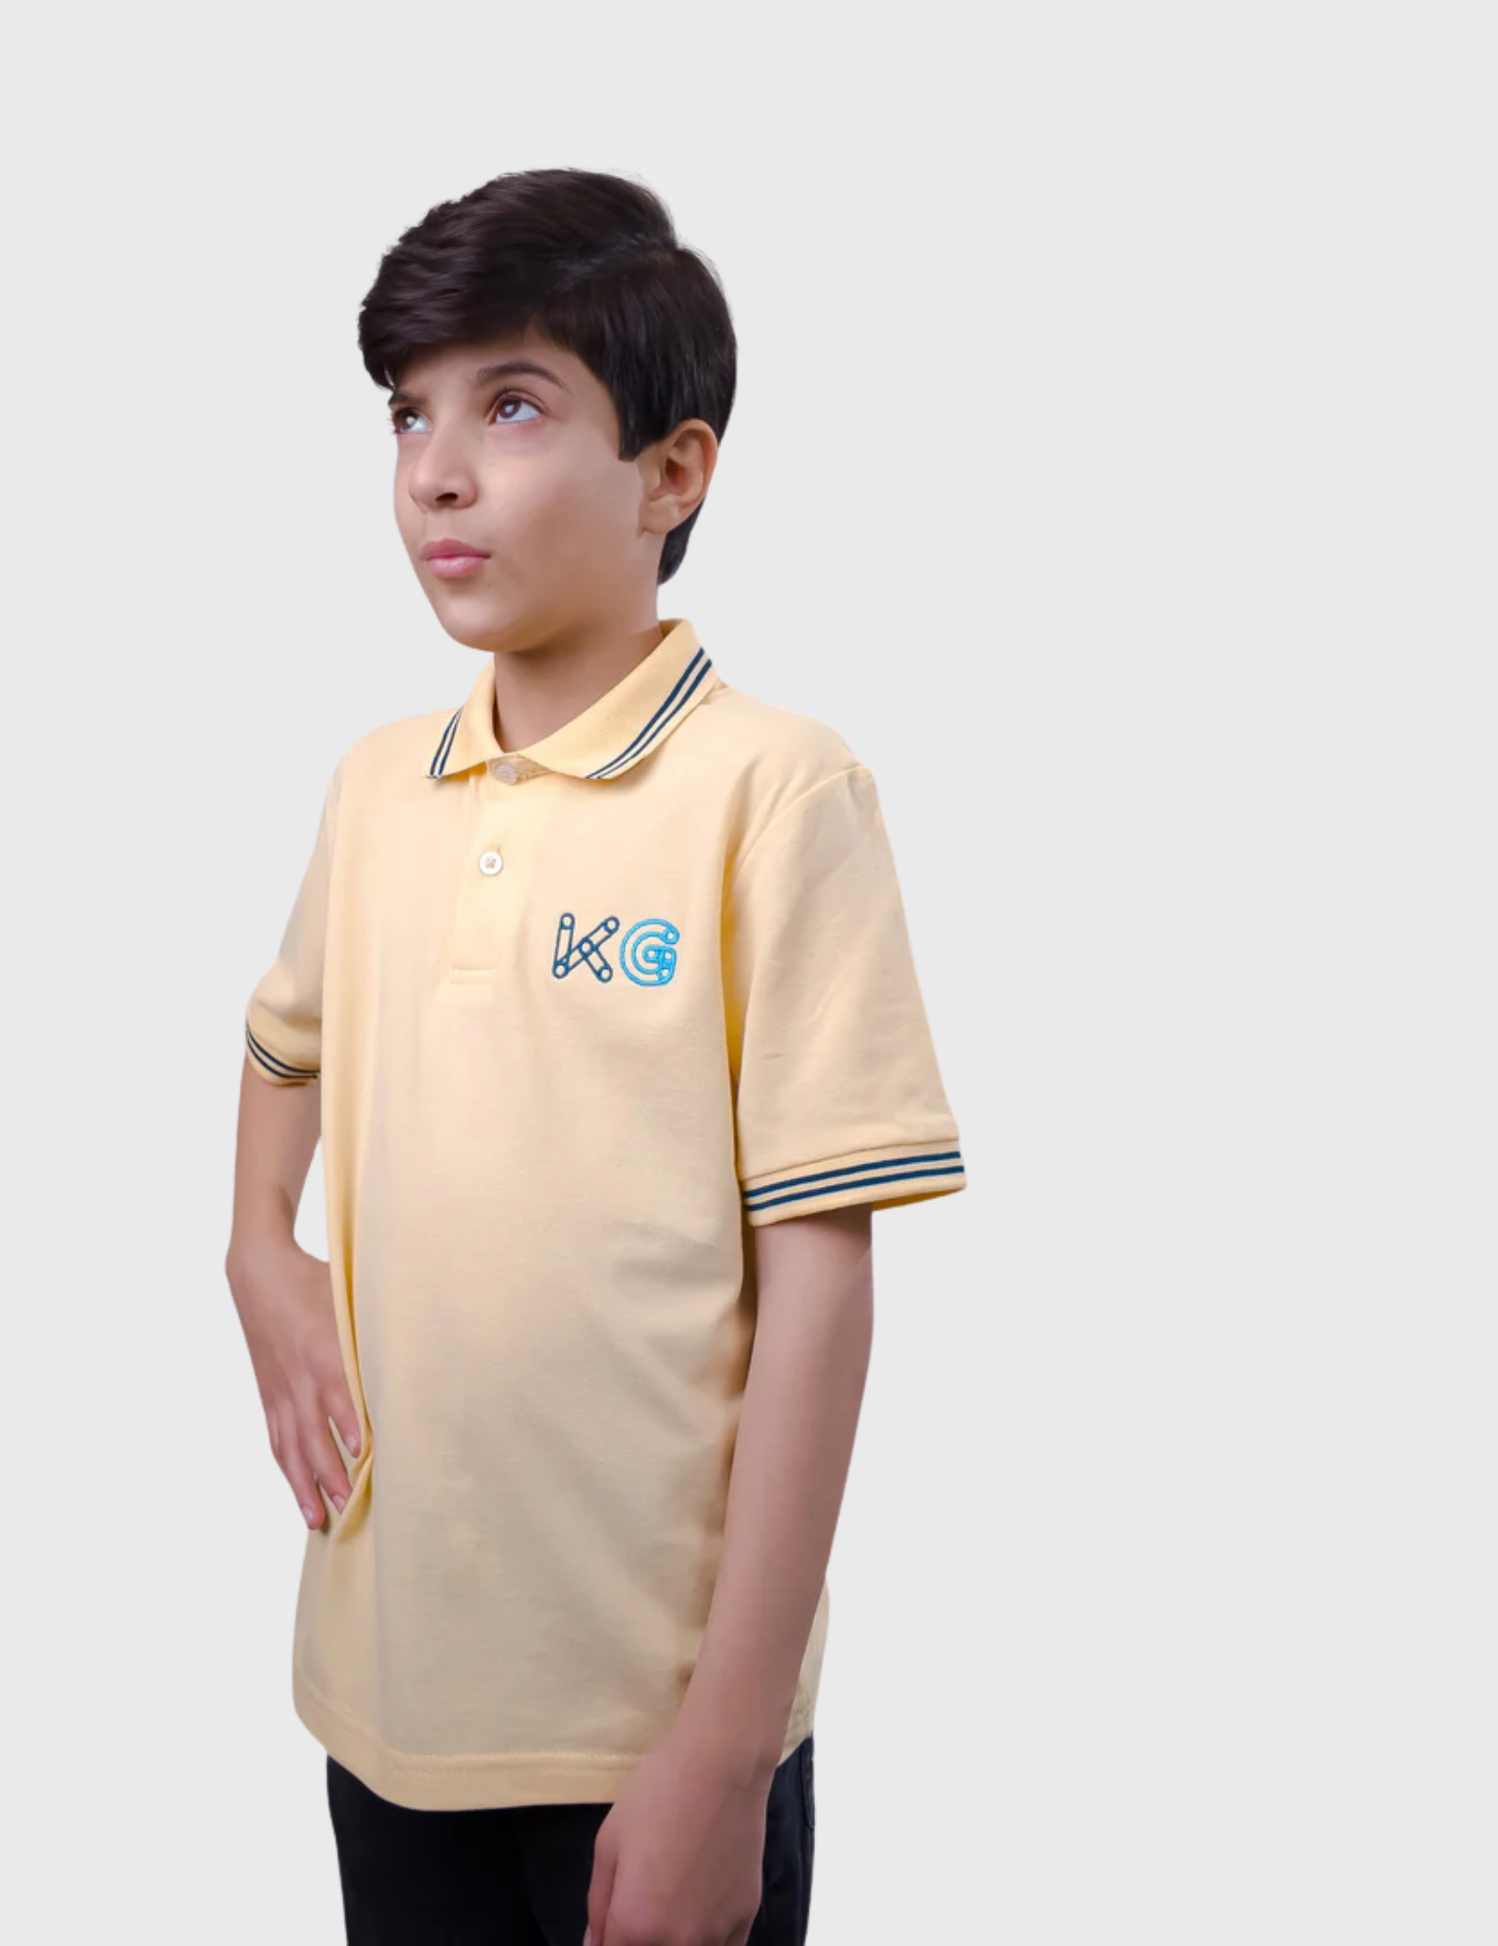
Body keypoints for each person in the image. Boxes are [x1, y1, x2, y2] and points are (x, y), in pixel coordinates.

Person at [224, 166, 967, 1946]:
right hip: (390, 1699)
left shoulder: (774, 794)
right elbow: (283, 1039)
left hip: (652, 1734)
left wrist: (722, 1753)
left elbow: (822, 1289)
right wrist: (258, 1246)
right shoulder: (377, 784)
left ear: (673, 471)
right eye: (407, 413)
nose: (434, 470)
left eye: (509, 405)